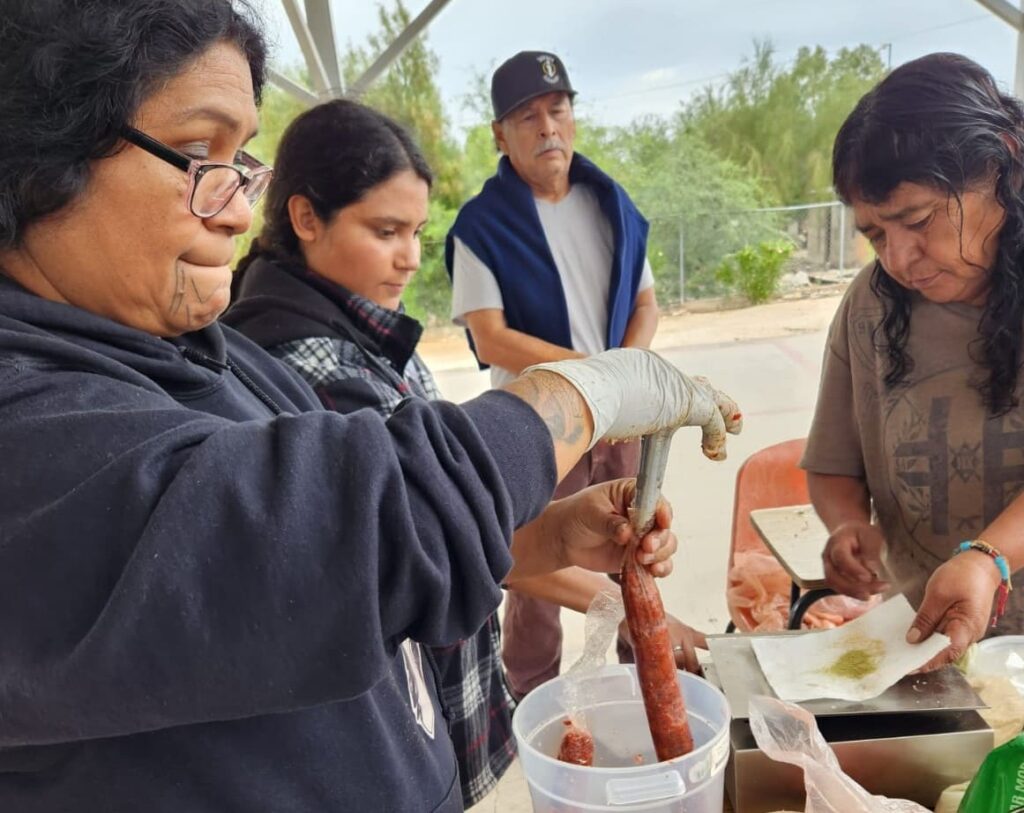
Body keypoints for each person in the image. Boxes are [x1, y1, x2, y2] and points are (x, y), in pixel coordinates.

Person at [0, 2, 742, 811]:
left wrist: (542, 534)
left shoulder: (200, 347)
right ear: (42, 157)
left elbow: (349, 569)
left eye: (239, 159)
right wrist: (589, 389)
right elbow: (334, 524)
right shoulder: (28, 426)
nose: (239, 206)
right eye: (192, 154)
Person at [224, 98, 711, 807]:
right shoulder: (305, 368)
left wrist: (559, 529)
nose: (411, 257)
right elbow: (426, 543)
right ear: (304, 218)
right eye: (385, 231)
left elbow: (437, 530)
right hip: (380, 753)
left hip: (433, 733)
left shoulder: (373, 339)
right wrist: (595, 389)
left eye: (418, 231)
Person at [445, 50, 662, 698]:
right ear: (500, 135)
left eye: (557, 109)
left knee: (635, 548)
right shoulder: (480, 226)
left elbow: (646, 303)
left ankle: (645, 678)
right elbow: (491, 335)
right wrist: (601, 377)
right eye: (527, 116)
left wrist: (622, 378)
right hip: (540, 425)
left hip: (622, 419)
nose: (547, 128)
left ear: (573, 116)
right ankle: (530, 698)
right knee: (537, 570)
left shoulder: (610, 203)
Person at [804, 52, 1023, 670]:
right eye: (875, 233)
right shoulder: (872, 305)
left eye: (918, 219)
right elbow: (833, 464)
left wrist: (989, 556)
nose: (899, 257)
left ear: (1000, 166)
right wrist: (847, 526)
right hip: (925, 652)